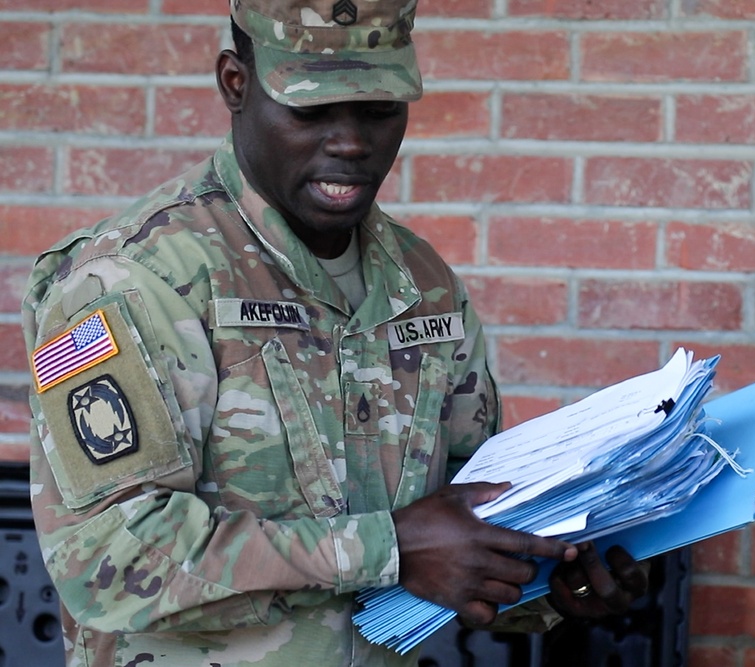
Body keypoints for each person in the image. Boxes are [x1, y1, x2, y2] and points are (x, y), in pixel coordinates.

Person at [21, 0, 648, 665]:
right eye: (312, 112)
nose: (351, 142)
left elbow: (468, 518)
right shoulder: (134, 279)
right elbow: (109, 559)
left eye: (378, 110)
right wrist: (387, 549)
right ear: (236, 84)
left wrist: (556, 578)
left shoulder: (423, 284)